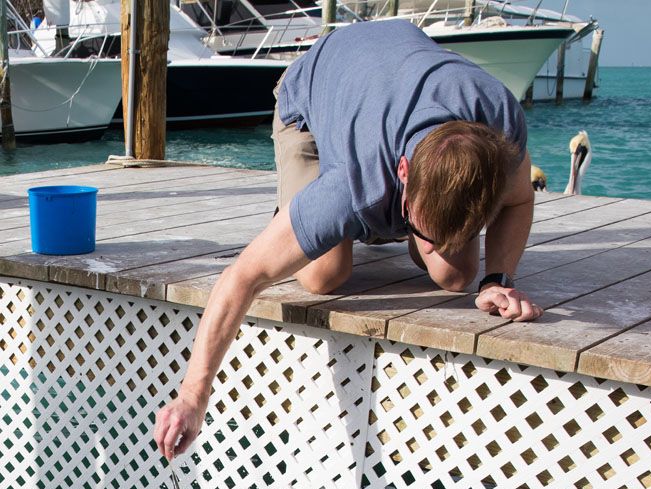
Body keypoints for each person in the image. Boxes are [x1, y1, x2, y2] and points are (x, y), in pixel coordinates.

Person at [155, 19, 542, 461]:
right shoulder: (353, 184)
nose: (433, 245)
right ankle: (293, 215)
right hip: (313, 94)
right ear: (403, 173)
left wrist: (497, 279)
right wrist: (193, 396)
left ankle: (384, 228)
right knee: (324, 274)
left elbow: (519, 201)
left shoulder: (500, 125)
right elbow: (243, 277)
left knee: (456, 275)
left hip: (393, 79)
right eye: (425, 234)